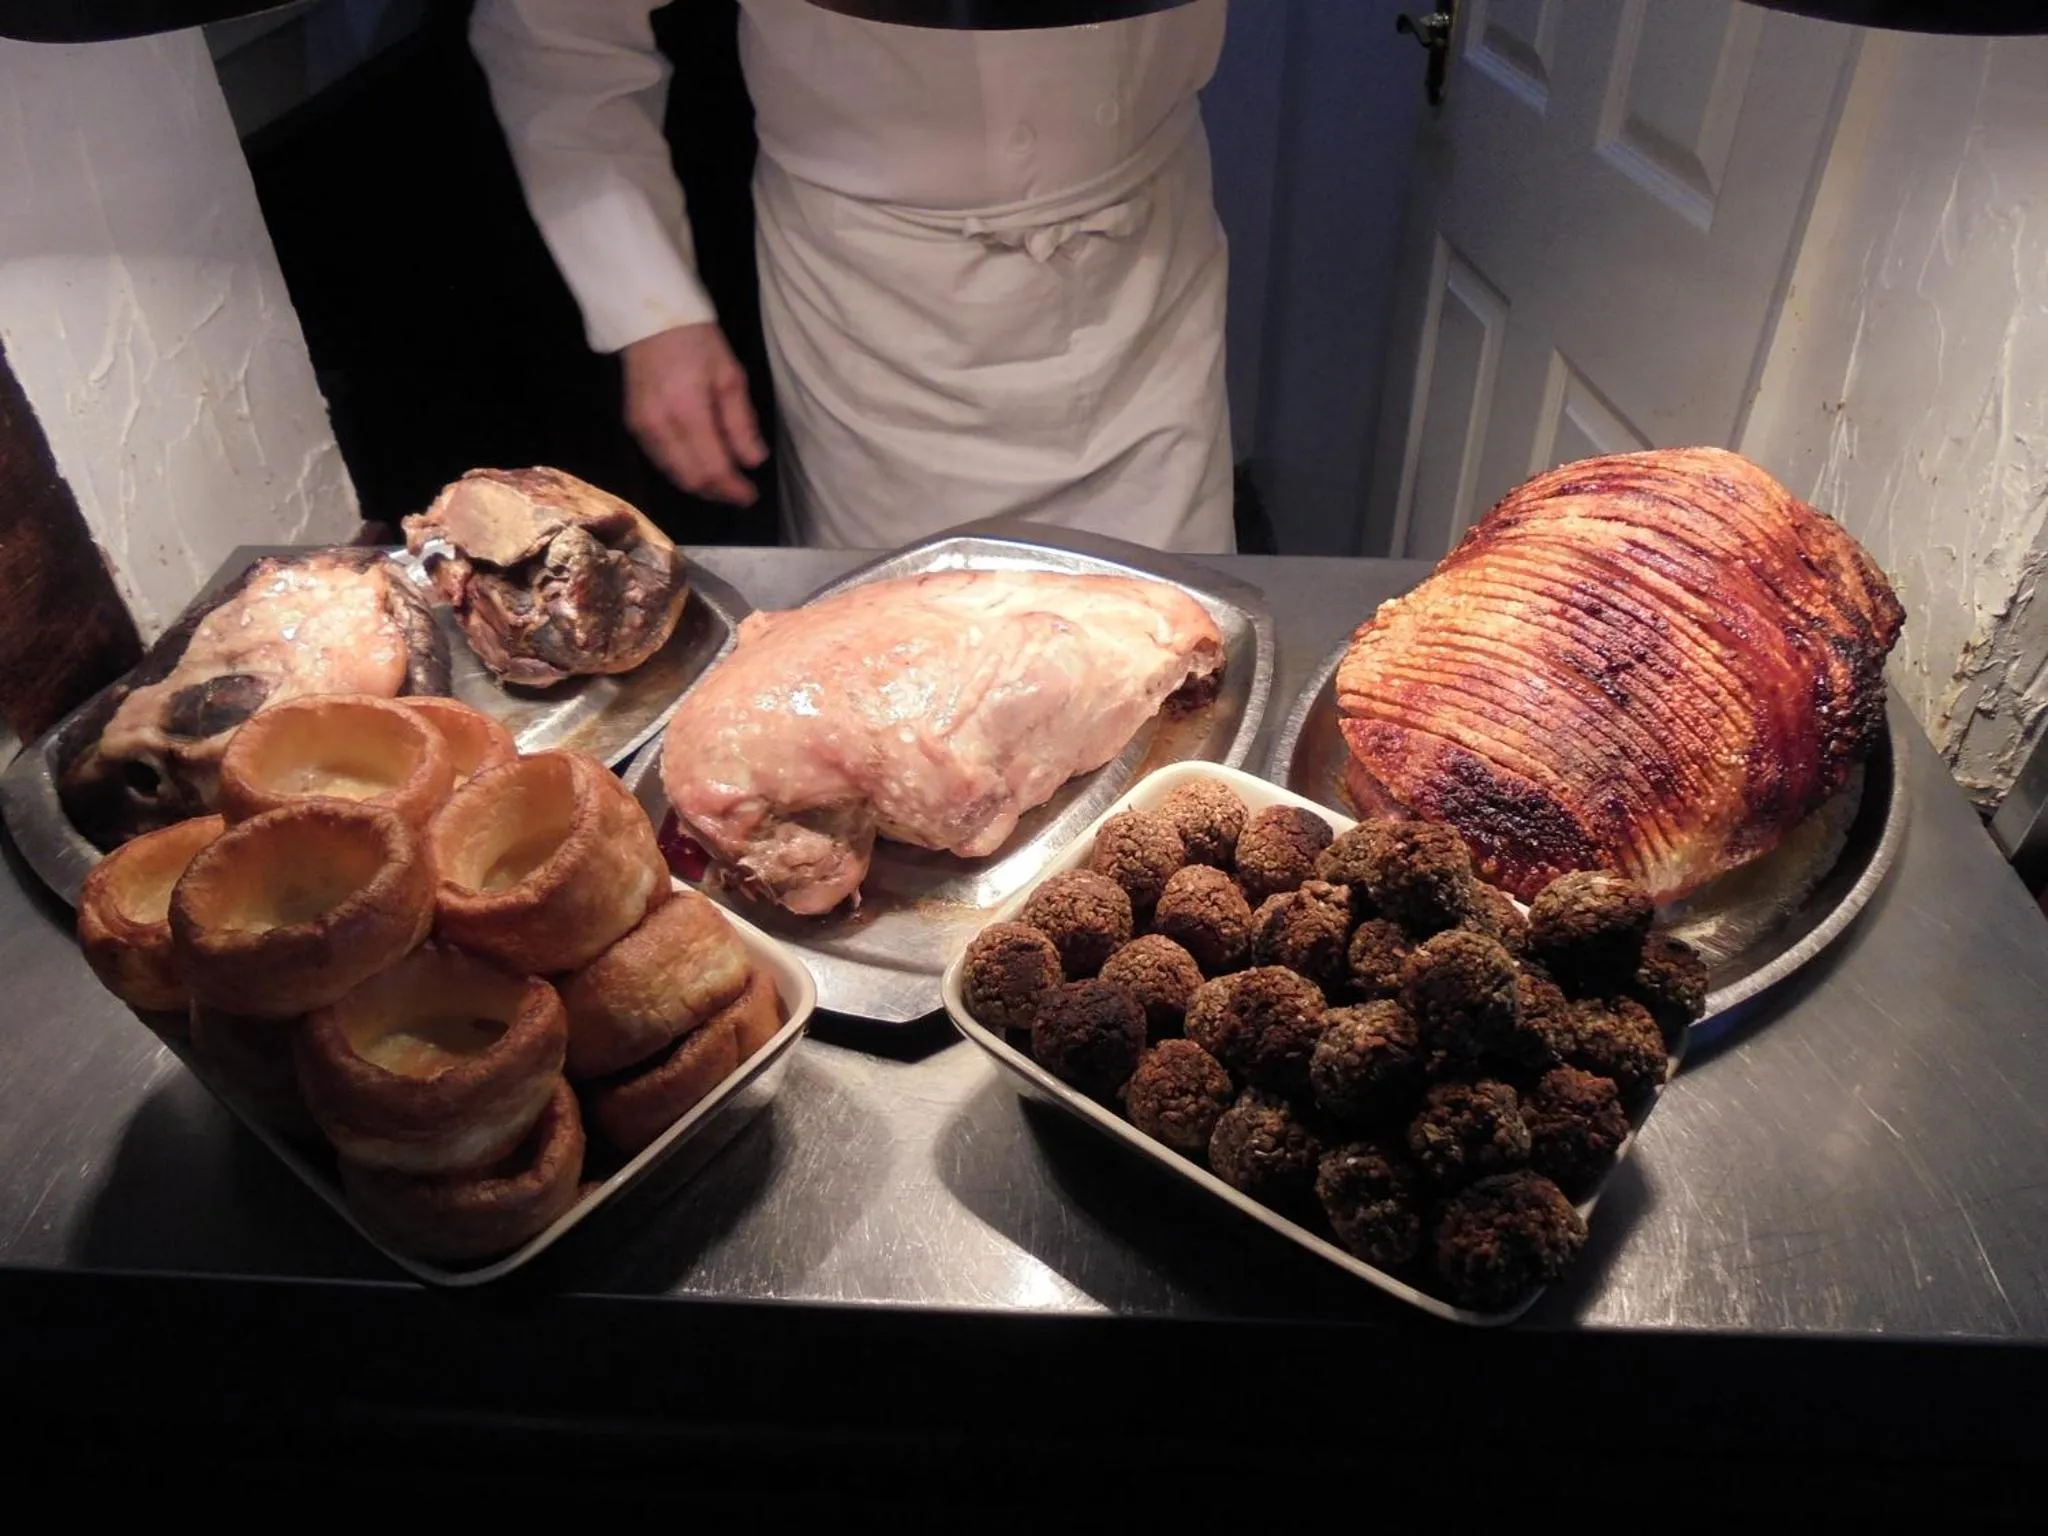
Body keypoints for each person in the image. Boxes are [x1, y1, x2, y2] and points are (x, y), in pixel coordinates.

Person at [470, 0, 1236, 553]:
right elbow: (557, 39)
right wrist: (650, 308)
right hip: (872, 300)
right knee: (904, 659)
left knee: (1181, 642)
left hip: (1143, 282)